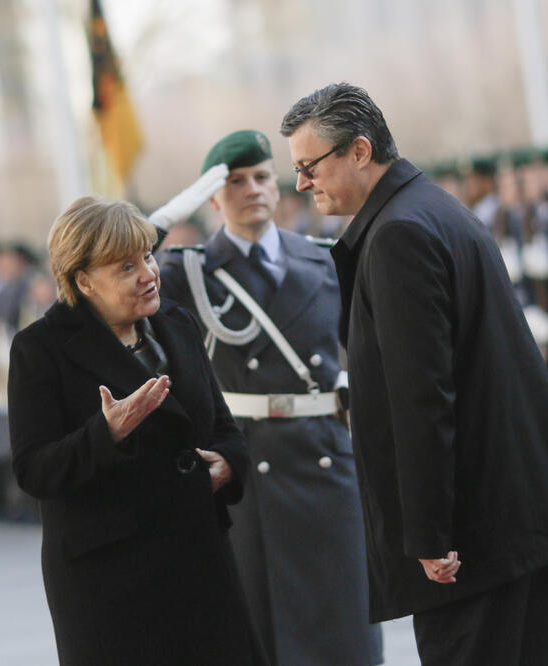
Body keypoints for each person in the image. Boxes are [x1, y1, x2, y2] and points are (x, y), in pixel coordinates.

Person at [280, 82, 548, 664]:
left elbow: (422, 397)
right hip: (503, 516)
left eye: (310, 166)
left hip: (468, 538)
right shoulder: (429, 207)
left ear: (359, 151)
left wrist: (429, 533)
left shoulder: (398, 234)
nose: (303, 184)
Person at [7, 196, 266, 665]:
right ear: (84, 280)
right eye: (126, 267)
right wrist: (105, 433)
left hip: (198, 561)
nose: (149, 274)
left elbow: (223, 426)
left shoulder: (176, 324)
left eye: (147, 256)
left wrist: (229, 463)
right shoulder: (40, 349)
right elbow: (33, 470)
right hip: (111, 583)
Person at [158, 129, 383, 665]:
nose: (252, 190)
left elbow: (368, 348)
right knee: (260, 624)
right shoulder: (187, 272)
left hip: (325, 454)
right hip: (246, 461)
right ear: (212, 199)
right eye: (234, 182)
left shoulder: (327, 257)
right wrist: (164, 219)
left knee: (344, 617)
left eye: (261, 178)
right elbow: (113, 266)